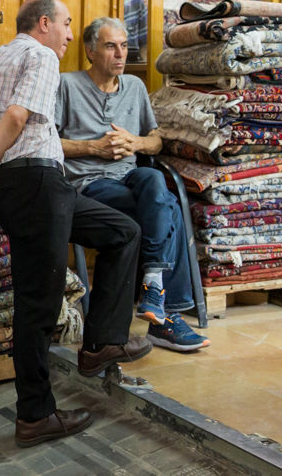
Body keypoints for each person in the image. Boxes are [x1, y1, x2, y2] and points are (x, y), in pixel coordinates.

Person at [0, 0, 151, 448]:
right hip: (33, 182)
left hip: (35, 186)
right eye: (66, 25)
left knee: (123, 232)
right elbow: (16, 114)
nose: (70, 35)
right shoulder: (41, 55)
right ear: (44, 24)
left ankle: (101, 343)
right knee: (38, 304)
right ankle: (35, 414)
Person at [56, 17, 210, 352]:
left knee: (155, 179)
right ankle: (165, 315)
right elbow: (47, 142)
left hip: (131, 177)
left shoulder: (136, 88)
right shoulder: (66, 85)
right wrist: (92, 147)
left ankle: (153, 283)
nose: (121, 53)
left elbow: (155, 142)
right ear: (90, 51)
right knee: (167, 207)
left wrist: (135, 143)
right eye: (111, 46)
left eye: (125, 46)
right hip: (90, 183)